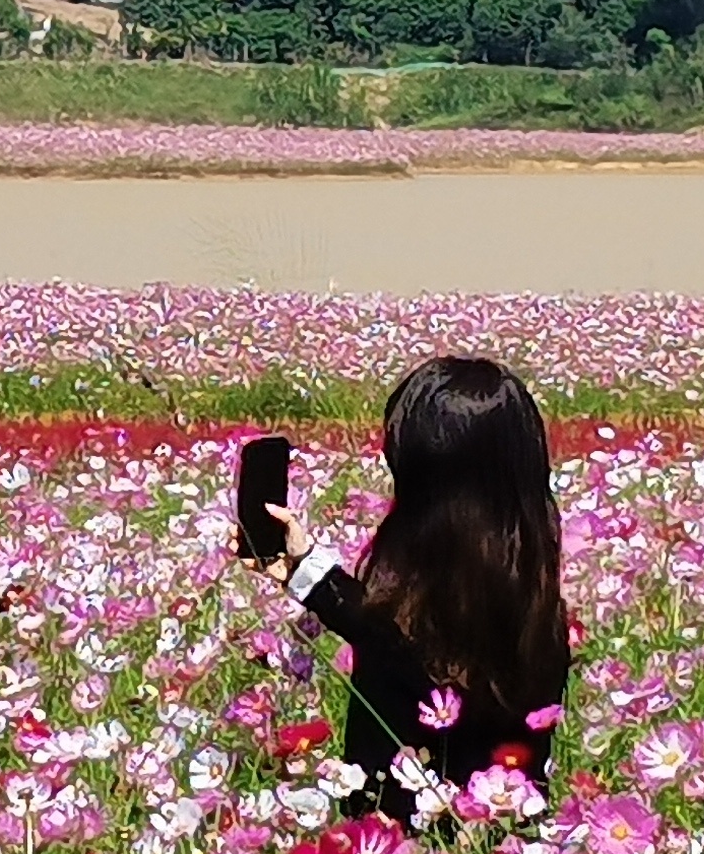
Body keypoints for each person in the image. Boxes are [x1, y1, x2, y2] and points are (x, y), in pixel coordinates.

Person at [241, 353, 571, 826]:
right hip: (509, 849)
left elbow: (389, 637)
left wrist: (306, 573)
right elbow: (381, 629)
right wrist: (302, 570)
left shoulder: (410, 627)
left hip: (398, 851)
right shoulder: (533, 600)